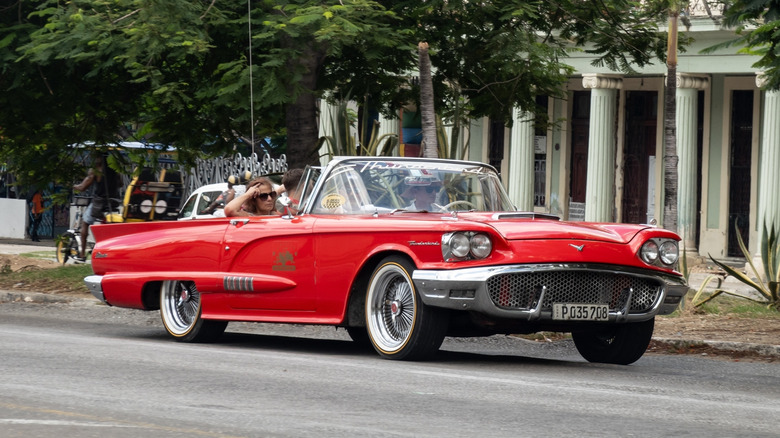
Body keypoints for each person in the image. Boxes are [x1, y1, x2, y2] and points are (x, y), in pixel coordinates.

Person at [73, 154, 118, 260]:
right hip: (112, 202)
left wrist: (73, 186)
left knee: (85, 223)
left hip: (99, 202)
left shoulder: (95, 170)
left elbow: (83, 187)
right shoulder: (115, 170)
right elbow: (120, 184)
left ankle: (82, 254)